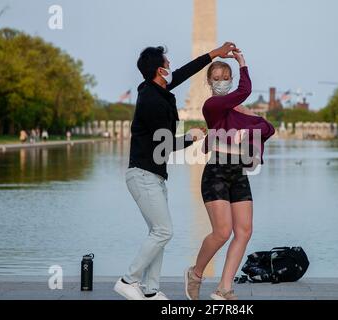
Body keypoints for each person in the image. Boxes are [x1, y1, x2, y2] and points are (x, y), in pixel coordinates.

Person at [114, 42, 240, 301]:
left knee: (157, 233)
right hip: (143, 174)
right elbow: (165, 144)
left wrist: (216, 53)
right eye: (167, 62)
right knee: (164, 231)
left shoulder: (156, 90)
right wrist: (192, 137)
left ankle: (149, 291)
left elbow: (185, 72)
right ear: (160, 70)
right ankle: (128, 280)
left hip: (153, 175)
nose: (171, 65)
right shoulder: (152, 100)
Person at [184, 51, 275, 300]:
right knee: (222, 232)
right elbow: (246, 93)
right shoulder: (211, 106)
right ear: (210, 82)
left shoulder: (239, 110)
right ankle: (196, 273)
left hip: (238, 173)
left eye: (226, 77)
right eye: (217, 78)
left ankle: (224, 288)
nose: (221, 81)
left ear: (230, 78)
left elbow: (268, 127)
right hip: (216, 173)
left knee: (244, 231)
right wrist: (243, 63)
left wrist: (247, 124)